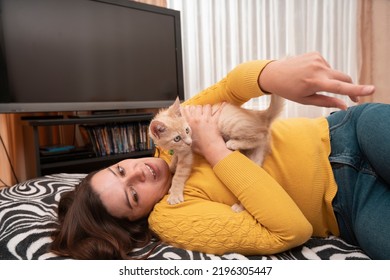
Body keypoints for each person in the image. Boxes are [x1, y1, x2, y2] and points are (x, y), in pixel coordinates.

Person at [51, 52, 388, 260]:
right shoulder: (173, 217)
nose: (139, 171)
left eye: (120, 169)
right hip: (348, 207)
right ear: (137, 219)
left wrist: (273, 74)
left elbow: (232, 87)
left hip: (347, 133)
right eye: (133, 194)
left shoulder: (167, 134)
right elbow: (292, 230)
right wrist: (213, 148)